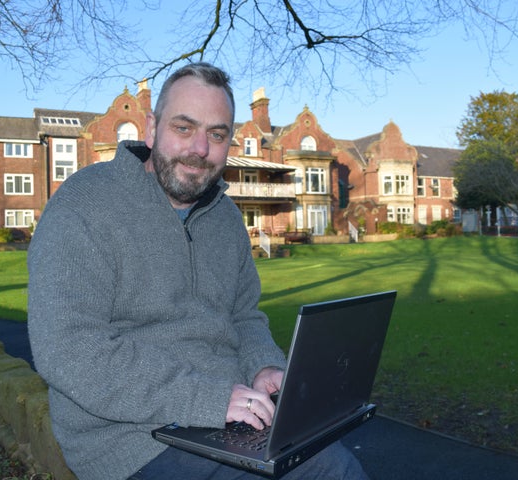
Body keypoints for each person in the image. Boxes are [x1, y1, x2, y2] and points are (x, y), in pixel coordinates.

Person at [28, 62, 368, 480]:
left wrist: (264, 366)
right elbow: (68, 350)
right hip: (131, 438)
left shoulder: (225, 217)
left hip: (229, 415)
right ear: (151, 129)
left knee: (337, 467)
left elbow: (243, 316)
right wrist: (208, 399)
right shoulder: (85, 204)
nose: (200, 149)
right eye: (184, 128)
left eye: (217, 134)